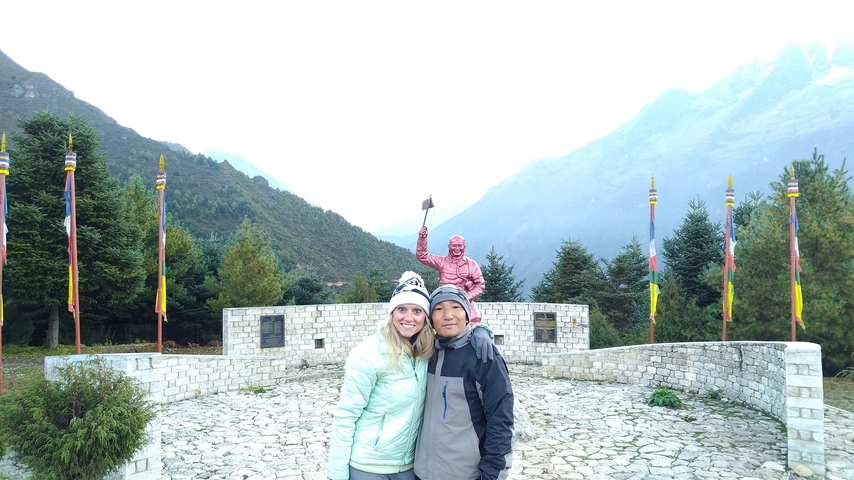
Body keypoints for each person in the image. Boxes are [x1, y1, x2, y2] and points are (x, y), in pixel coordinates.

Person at [327, 272, 494, 480]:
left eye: (417, 310)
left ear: (426, 317)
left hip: (409, 466)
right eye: (402, 309)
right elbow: (345, 417)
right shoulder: (367, 355)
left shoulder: (428, 350)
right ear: (392, 313)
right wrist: (337, 474)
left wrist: (480, 331)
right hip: (369, 466)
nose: (408, 318)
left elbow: (454, 334)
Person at [414, 284, 514, 480]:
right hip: (421, 472)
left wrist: (493, 474)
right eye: (439, 309)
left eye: (456, 307)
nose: (448, 315)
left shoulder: (483, 357)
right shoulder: (424, 353)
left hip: (465, 474)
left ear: (467, 314)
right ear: (430, 319)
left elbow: (500, 420)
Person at [416, 227, 485, 325]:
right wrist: (422, 239)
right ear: (449, 246)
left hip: (464, 300)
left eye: (459, 245)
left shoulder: (471, 264)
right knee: (434, 320)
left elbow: (480, 285)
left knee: (474, 317)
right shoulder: (441, 262)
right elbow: (422, 256)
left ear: (464, 247)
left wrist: (466, 297)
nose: (457, 248)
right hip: (444, 299)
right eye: (454, 245)